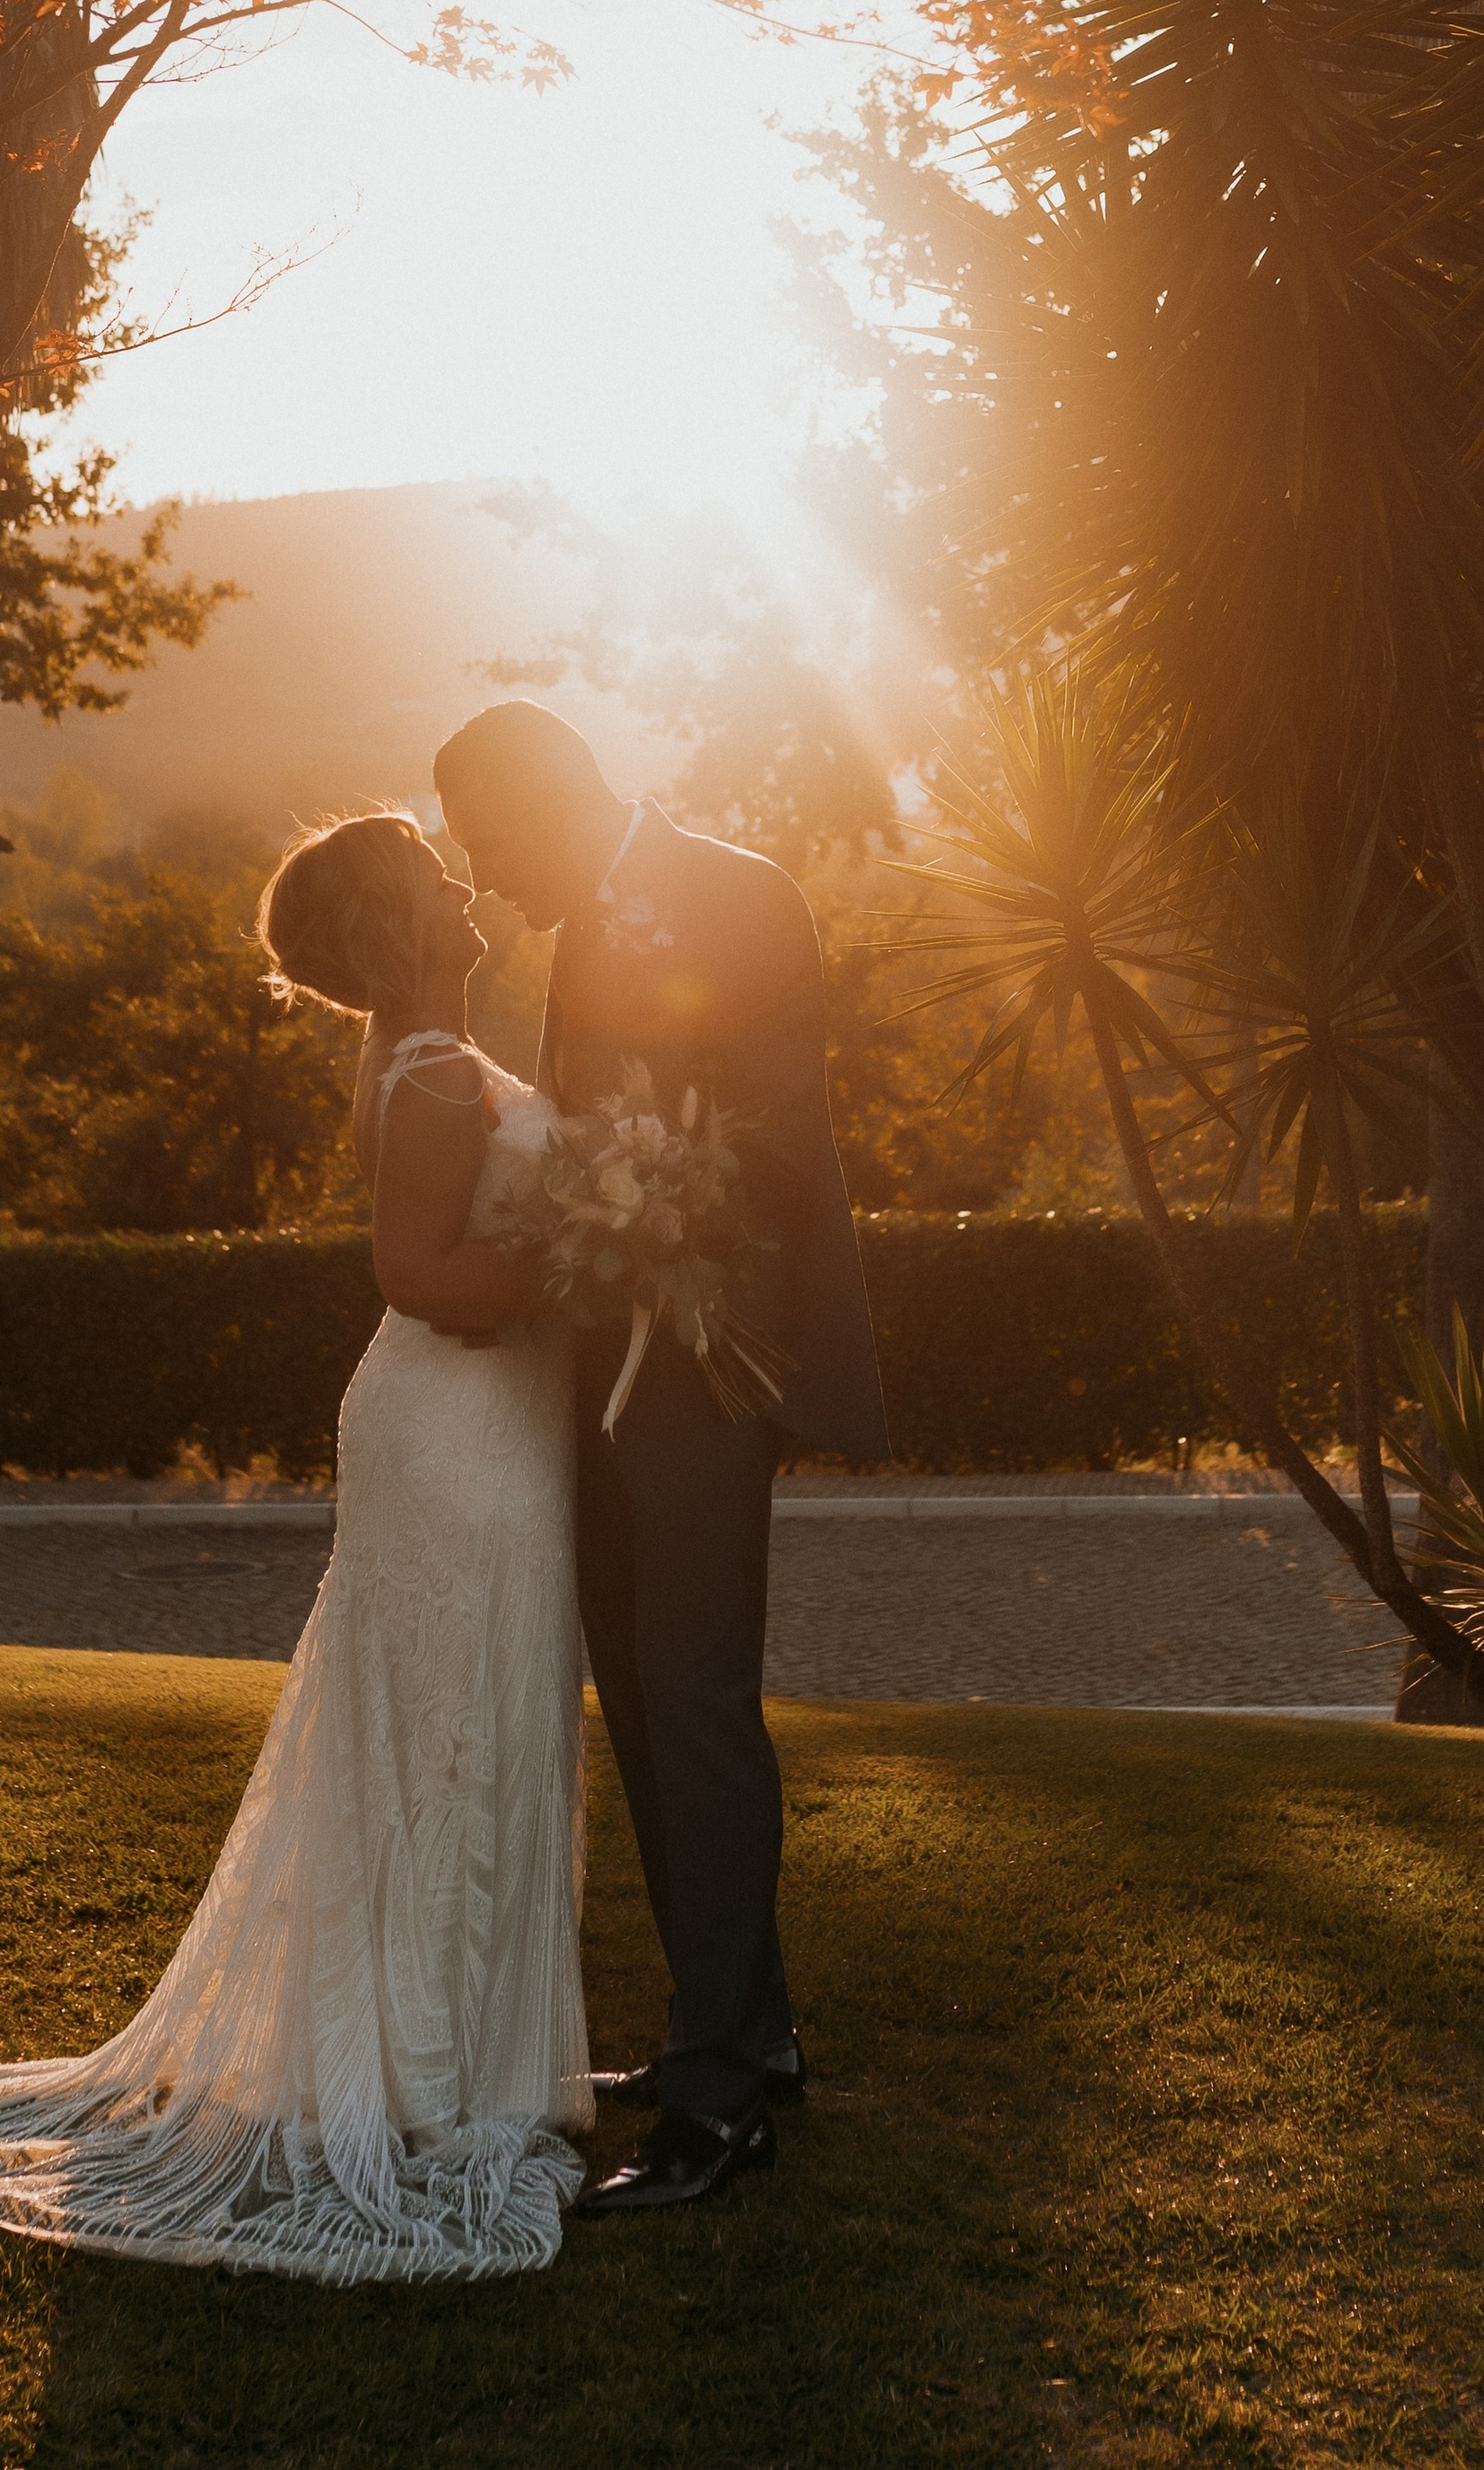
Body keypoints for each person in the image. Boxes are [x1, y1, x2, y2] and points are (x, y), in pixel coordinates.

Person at [0, 812, 591, 2282]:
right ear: (402, 921)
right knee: (447, 1726)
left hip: (486, 1428)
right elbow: (412, 1271)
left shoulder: (421, 1055)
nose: (469, 885)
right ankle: (433, 2074)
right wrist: (592, 1256)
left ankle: (445, 2058)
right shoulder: (436, 1071)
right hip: (457, 1433)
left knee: (466, 1719)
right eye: (438, 876)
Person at [434, 700, 889, 2218]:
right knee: (637, 1685)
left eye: (493, 841)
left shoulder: (740, 893)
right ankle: (746, 2029)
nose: (487, 880)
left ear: (557, 799)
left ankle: (717, 2109)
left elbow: (771, 1135)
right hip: (608, 1369)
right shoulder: (582, 928)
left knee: (694, 1697)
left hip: (706, 1360)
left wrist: (629, 1189)